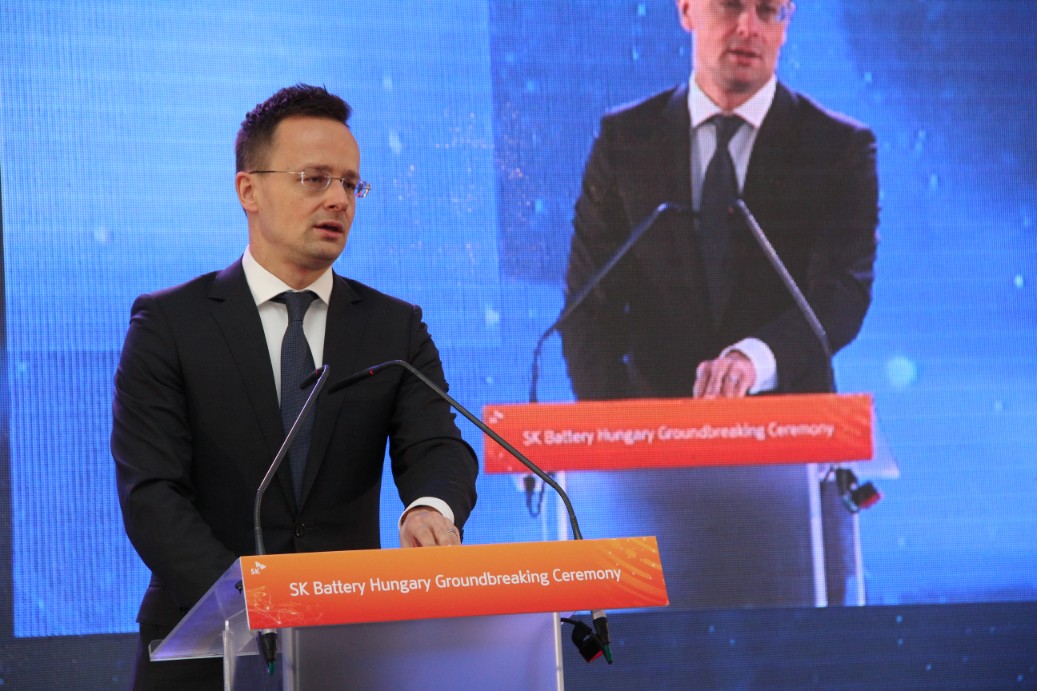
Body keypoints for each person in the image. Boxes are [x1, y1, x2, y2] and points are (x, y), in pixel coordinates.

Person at [112, 84, 478, 689]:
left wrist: (429, 508)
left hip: (350, 647)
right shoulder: (169, 325)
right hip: (202, 652)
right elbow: (152, 494)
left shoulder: (393, 327)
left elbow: (437, 446)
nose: (338, 199)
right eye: (315, 179)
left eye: (351, 184)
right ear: (248, 191)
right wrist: (253, 604)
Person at [559, 0, 878, 607]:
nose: (749, 26)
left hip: (789, 478)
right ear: (686, 10)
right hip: (644, 490)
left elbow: (841, 295)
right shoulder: (626, 140)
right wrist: (620, 443)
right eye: (731, 5)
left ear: (787, 22)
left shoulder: (838, 147)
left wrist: (754, 359)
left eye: (769, 10)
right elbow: (587, 311)